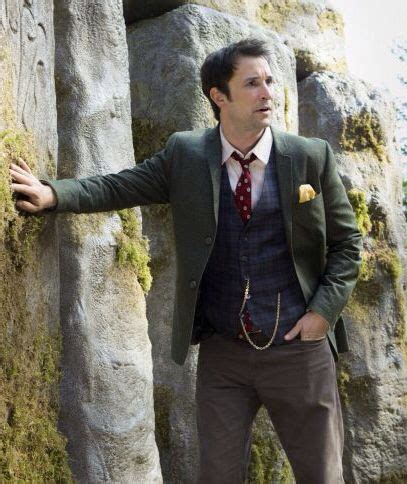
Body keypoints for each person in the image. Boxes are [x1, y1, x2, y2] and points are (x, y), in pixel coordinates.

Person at [10, 38, 362, 484]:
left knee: (321, 476)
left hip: (300, 351)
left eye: (269, 81)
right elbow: (120, 186)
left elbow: (348, 245)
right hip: (223, 354)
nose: (268, 93)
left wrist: (321, 315)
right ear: (219, 96)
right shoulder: (187, 154)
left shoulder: (311, 156)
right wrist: (53, 193)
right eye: (252, 83)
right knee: (216, 475)